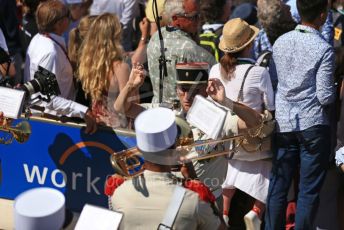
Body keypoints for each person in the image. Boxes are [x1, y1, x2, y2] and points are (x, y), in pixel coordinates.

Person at [265, 0, 336, 228]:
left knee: (279, 186)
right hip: (313, 125)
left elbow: (275, 82)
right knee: (307, 191)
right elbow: (325, 97)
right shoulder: (323, 48)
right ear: (323, 16)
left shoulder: (280, 42)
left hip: (284, 122)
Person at [110, 107, 223, 230]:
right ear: (175, 149)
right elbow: (220, 227)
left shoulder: (119, 194)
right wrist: (194, 180)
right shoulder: (192, 201)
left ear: (140, 149)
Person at [209, 18, 275, 230]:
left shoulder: (213, 71)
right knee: (274, 158)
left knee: (232, 168)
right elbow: (270, 109)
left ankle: (225, 212)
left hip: (226, 144)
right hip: (254, 146)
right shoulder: (259, 73)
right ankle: (256, 211)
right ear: (248, 45)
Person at [147, 0, 216, 104]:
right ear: (175, 19)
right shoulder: (190, 49)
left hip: (157, 111)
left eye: (199, 15)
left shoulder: (155, 37)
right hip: (181, 115)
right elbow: (218, 77)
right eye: (194, 16)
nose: (199, 20)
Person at [78, 13, 139, 128]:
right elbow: (127, 107)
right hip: (121, 132)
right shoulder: (120, 68)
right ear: (116, 36)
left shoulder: (89, 63)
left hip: (98, 126)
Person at [24, 0, 75, 100]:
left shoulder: (38, 38)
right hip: (54, 114)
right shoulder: (50, 52)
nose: (70, 17)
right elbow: (48, 99)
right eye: (67, 14)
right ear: (58, 24)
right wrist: (84, 111)